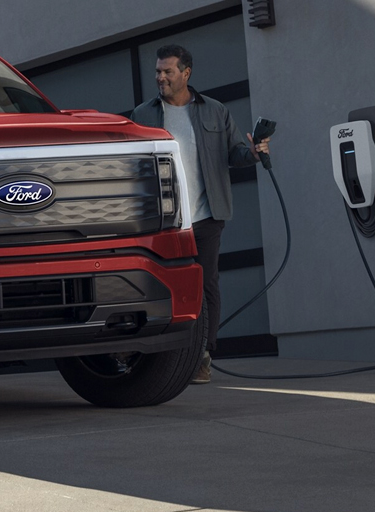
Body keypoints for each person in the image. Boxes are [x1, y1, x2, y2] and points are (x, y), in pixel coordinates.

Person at [127, 45, 269, 385]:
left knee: (207, 285)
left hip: (205, 217)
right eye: (158, 71)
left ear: (186, 73)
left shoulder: (214, 111)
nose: (160, 77)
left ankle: (204, 355)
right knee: (154, 284)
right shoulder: (143, 114)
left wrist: (252, 152)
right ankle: (150, 354)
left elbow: (234, 153)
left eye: (168, 72)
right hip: (162, 222)